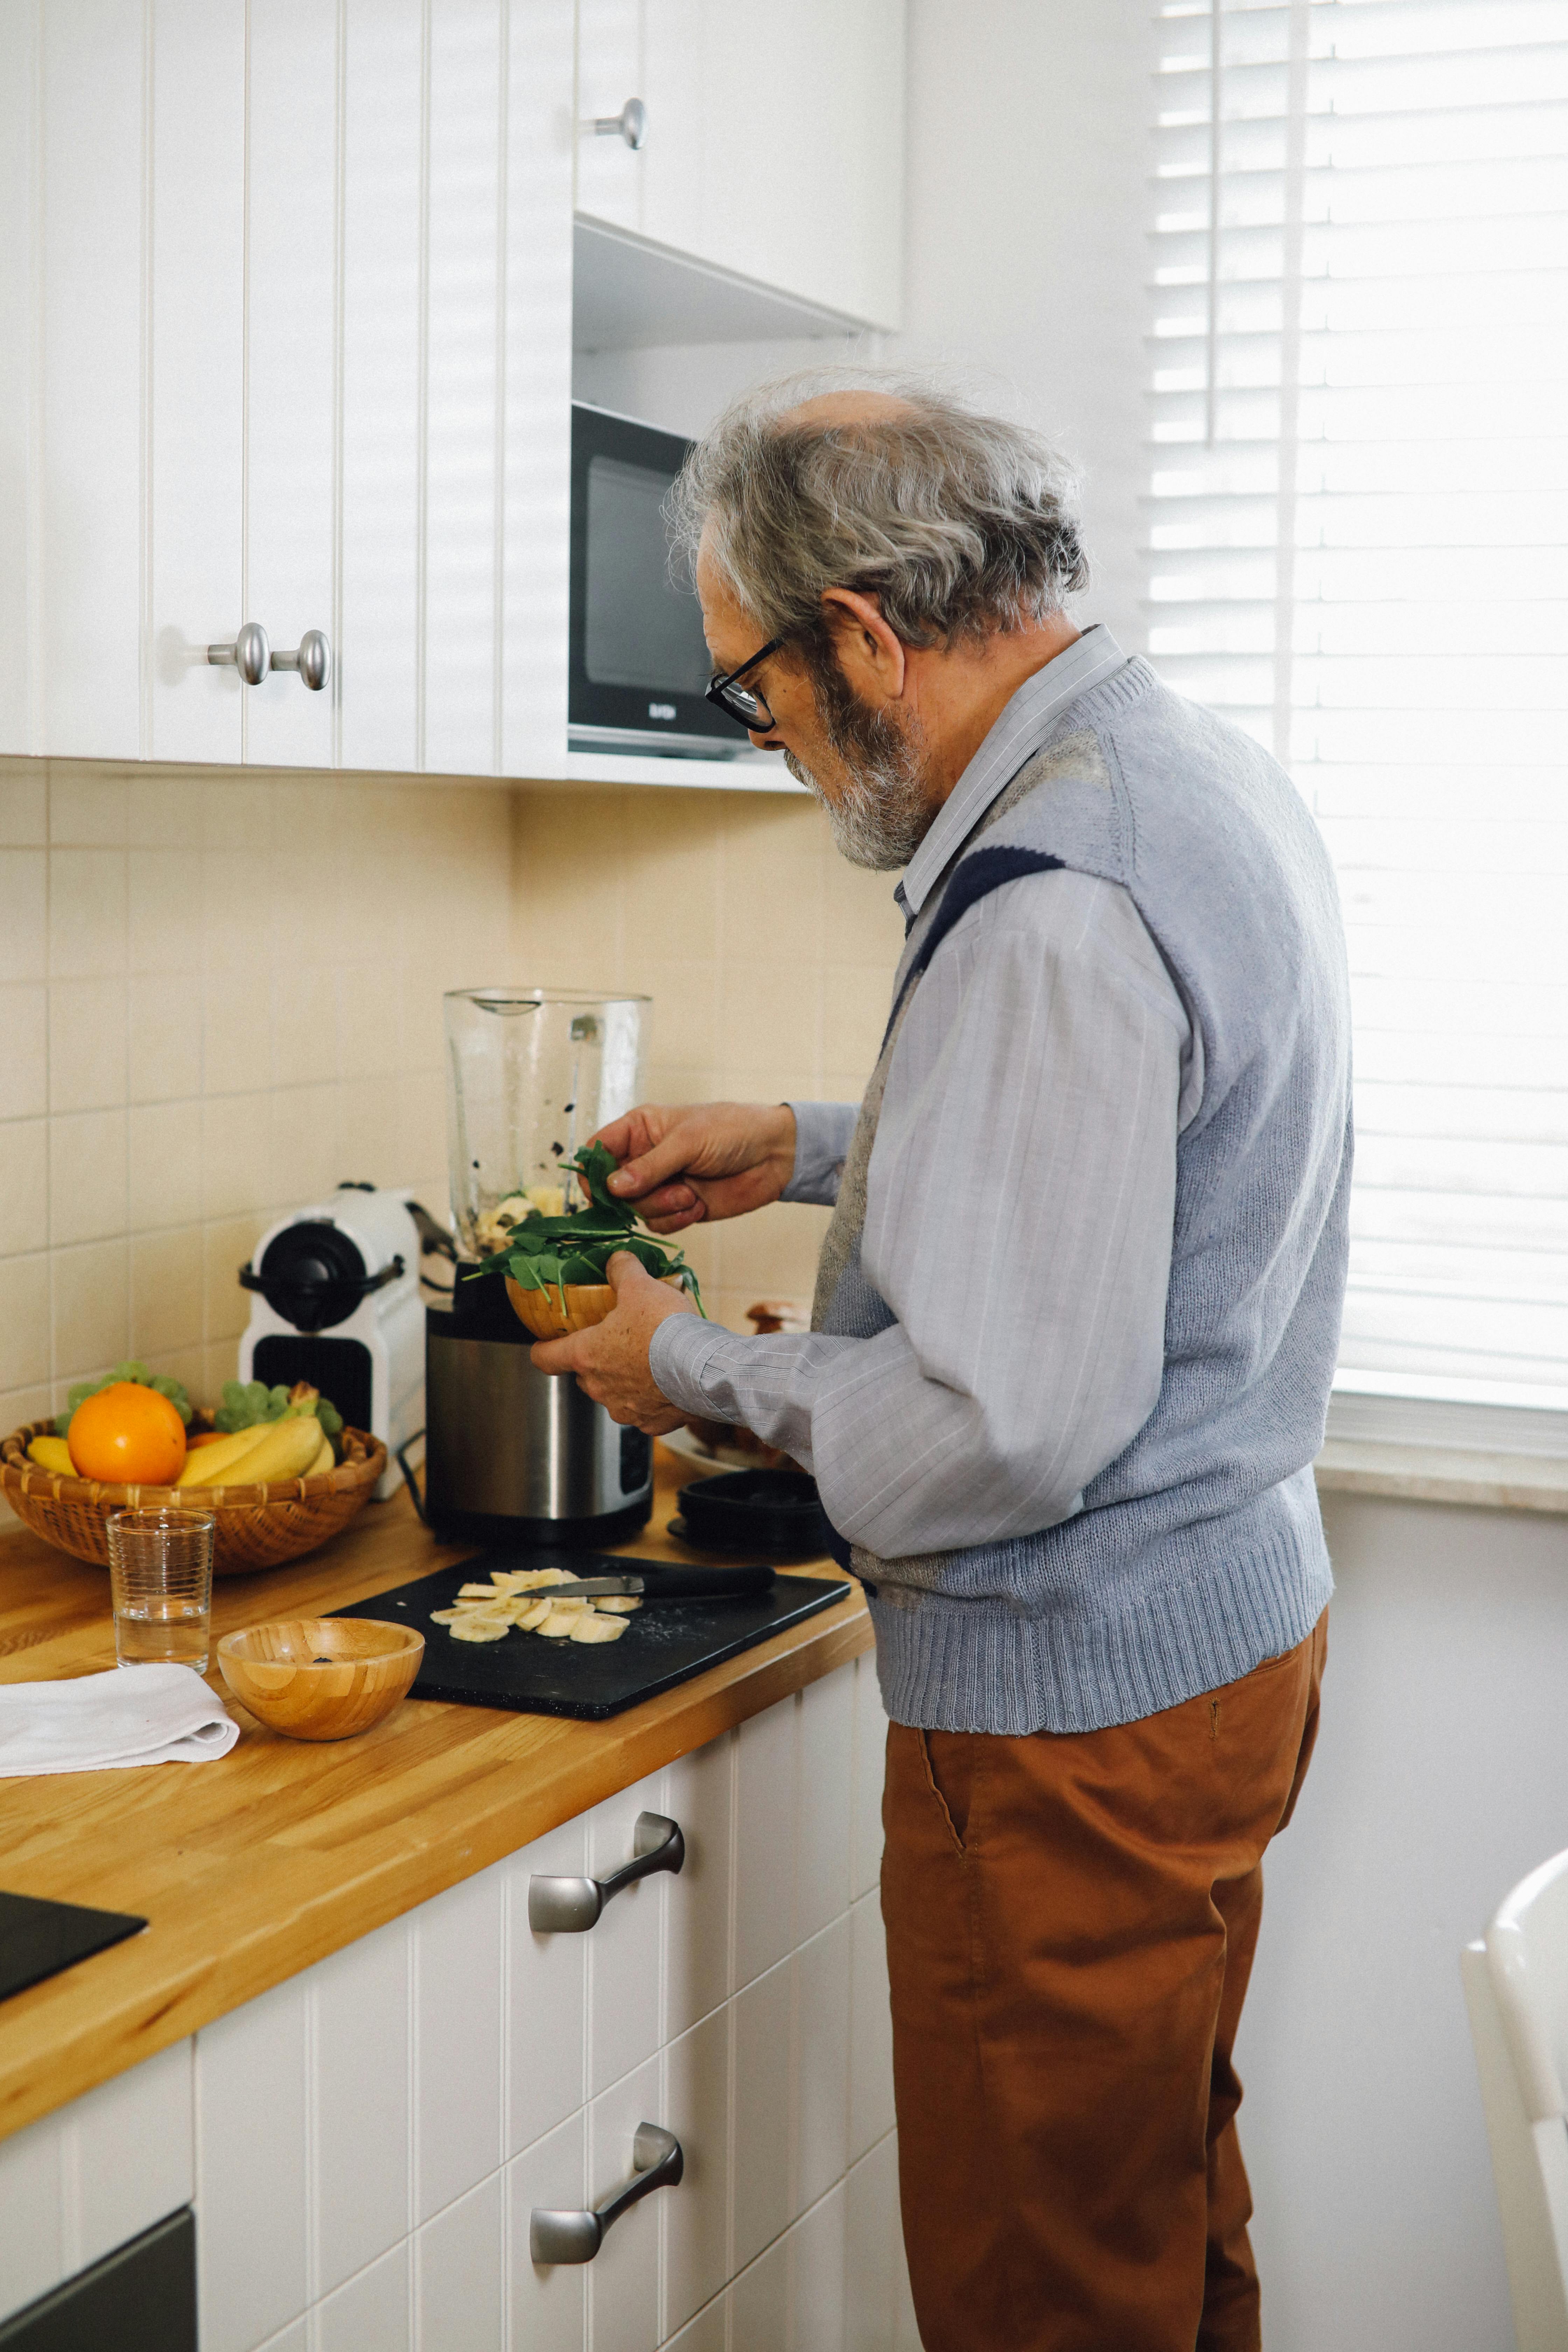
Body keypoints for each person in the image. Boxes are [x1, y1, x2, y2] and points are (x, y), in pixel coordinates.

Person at [530, 377, 1352, 2352]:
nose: (777, 743)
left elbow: (1005, 1426)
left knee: (1039, 2298)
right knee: (1152, 2212)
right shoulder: (1178, 775)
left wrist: (695, 1366)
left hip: (1073, 1713)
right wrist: (817, 1140)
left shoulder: (1048, 900)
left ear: (869, 634)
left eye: (759, 691)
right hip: (1220, 1643)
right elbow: (1120, 1153)